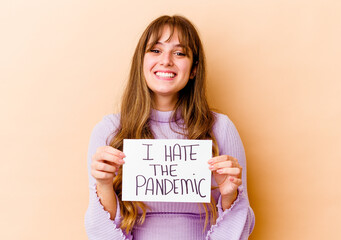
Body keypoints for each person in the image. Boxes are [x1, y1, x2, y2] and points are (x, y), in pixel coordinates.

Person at [85, 15, 255, 240]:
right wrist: (104, 185)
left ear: (194, 69)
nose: (166, 60)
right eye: (155, 50)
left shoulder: (221, 128)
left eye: (179, 52)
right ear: (141, 63)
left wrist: (230, 196)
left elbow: (241, 228)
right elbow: (100, 233)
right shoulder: (109, 131)